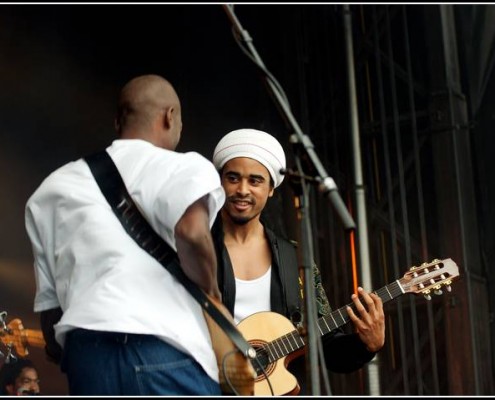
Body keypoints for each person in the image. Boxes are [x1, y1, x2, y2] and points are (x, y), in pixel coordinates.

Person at [24, 74, 227, 395]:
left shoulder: (51, 189)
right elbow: (191, 232)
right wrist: (213, 295)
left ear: (118, 120)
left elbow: (50, 314)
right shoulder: (184, 166)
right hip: (162, 347)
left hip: (87, 358)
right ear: (169, 116)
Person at [211, 128, 386, 395]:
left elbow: (326, 347)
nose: (242, 190)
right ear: (220, 181)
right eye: (233, 178)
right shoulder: (197, 250)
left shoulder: (295, 259)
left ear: (271, 189)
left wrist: (367, 346)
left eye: (255, 181)